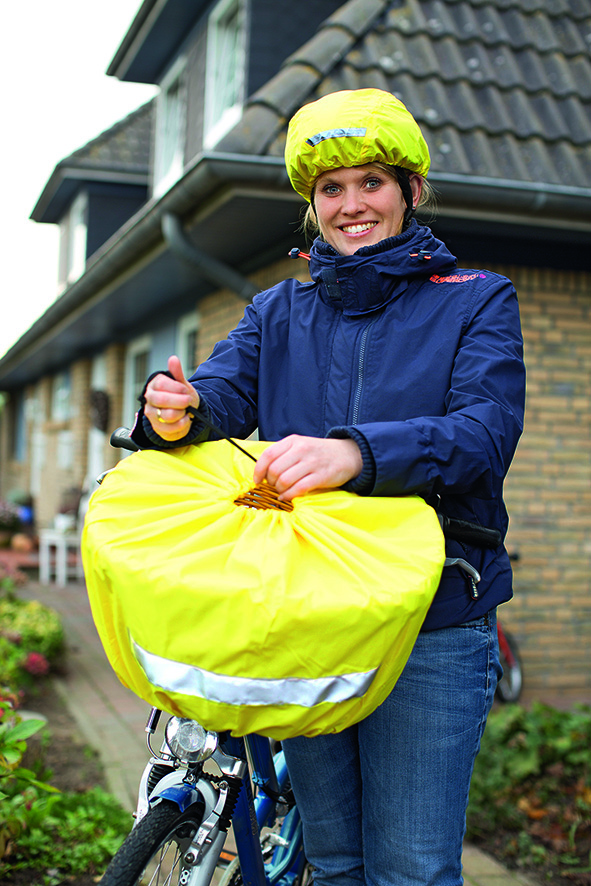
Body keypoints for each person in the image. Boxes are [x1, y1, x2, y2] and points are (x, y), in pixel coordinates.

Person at [132, 88, 526, 886]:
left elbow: (483, 435)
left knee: (410, 868)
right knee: (335, 859)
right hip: (310, 616)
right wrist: (178, 413)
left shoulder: (477, 299)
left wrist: (356, 454)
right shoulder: (278, 309)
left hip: (434, 617)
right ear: (312, 207)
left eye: (370, 183)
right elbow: (220, 398)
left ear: (409, 192)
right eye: (330, 189)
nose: (351, 205)